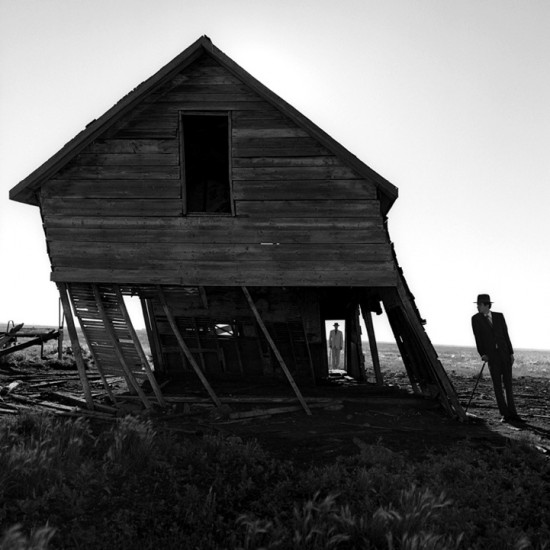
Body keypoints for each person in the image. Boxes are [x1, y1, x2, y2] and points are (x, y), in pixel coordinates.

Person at [471, 294, 522, 422]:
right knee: (497, 386)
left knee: (508, 385)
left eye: (479, 304)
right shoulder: (475, 319)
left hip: (504, 354)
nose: (477, 307)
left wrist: (511, 353)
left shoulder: (499, 316)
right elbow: (478, 338)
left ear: (486, 305)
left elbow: (506, 335)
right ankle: (505, 414)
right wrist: (482, 354)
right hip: (492, 356)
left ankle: (513, 413)